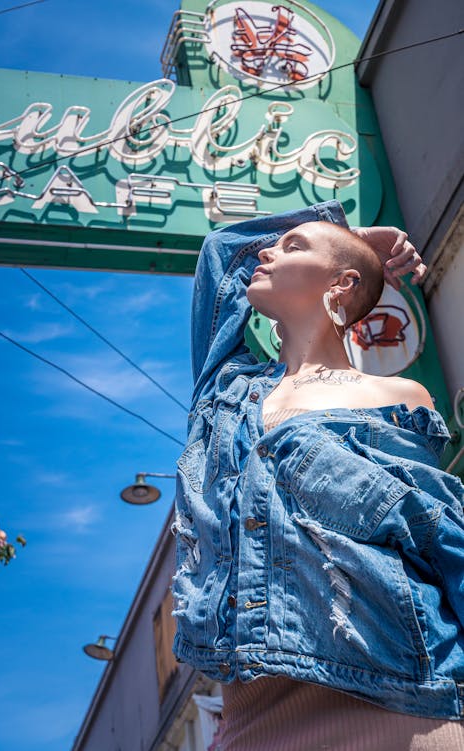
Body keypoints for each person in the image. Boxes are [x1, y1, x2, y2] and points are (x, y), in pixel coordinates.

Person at [171, 200, 464, 750]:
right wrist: (349, 231)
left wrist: (341, 243)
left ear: (342, 282)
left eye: (292, 246)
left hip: (401, 697)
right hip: (252, 707)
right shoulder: (226, 393)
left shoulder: (396, 397)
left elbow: (437, 532)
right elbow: (220, 251)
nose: (266, 250)